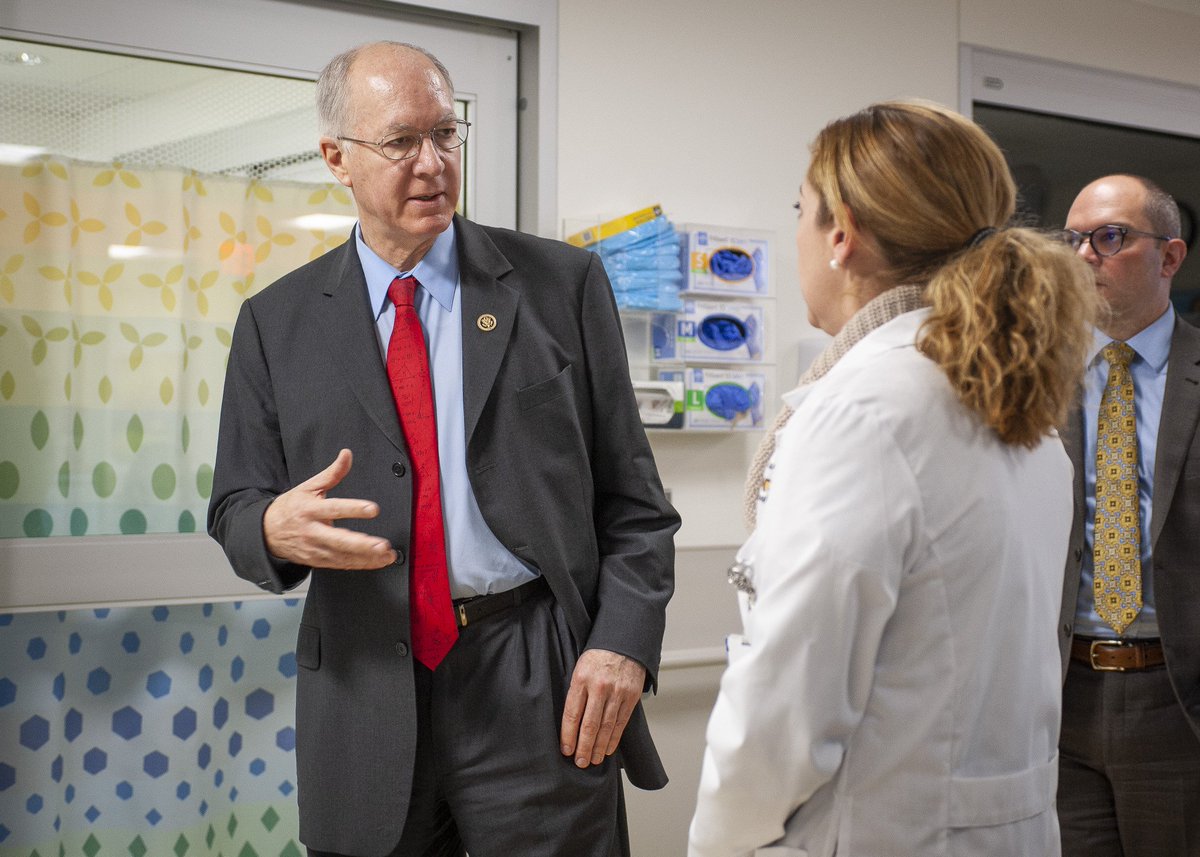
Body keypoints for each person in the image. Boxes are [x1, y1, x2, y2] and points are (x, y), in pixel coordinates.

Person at [207, 41, 678, 857]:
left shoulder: (560, 286)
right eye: (401, 141)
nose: (432, 163)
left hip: (534, 677)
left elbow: (637, 506)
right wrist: (271, 529)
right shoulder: (276, 322)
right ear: (336, 158)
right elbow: (235, 506)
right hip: (363, 681)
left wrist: (622, 644)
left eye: (445, 135)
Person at [688, 100, 1097, 857]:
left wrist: (717, 843)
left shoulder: (866, 410)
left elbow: (785, 707)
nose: (799, 233)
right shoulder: (1024, 412)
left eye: (802, 211)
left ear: (841, 234)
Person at [1057, 174, 1199, 856]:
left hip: (1179, 700)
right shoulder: (1031, 378)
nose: (1085, 255)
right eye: (1073, 239)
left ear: (1170, 257)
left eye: (1109, 237)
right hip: (1060, 696)